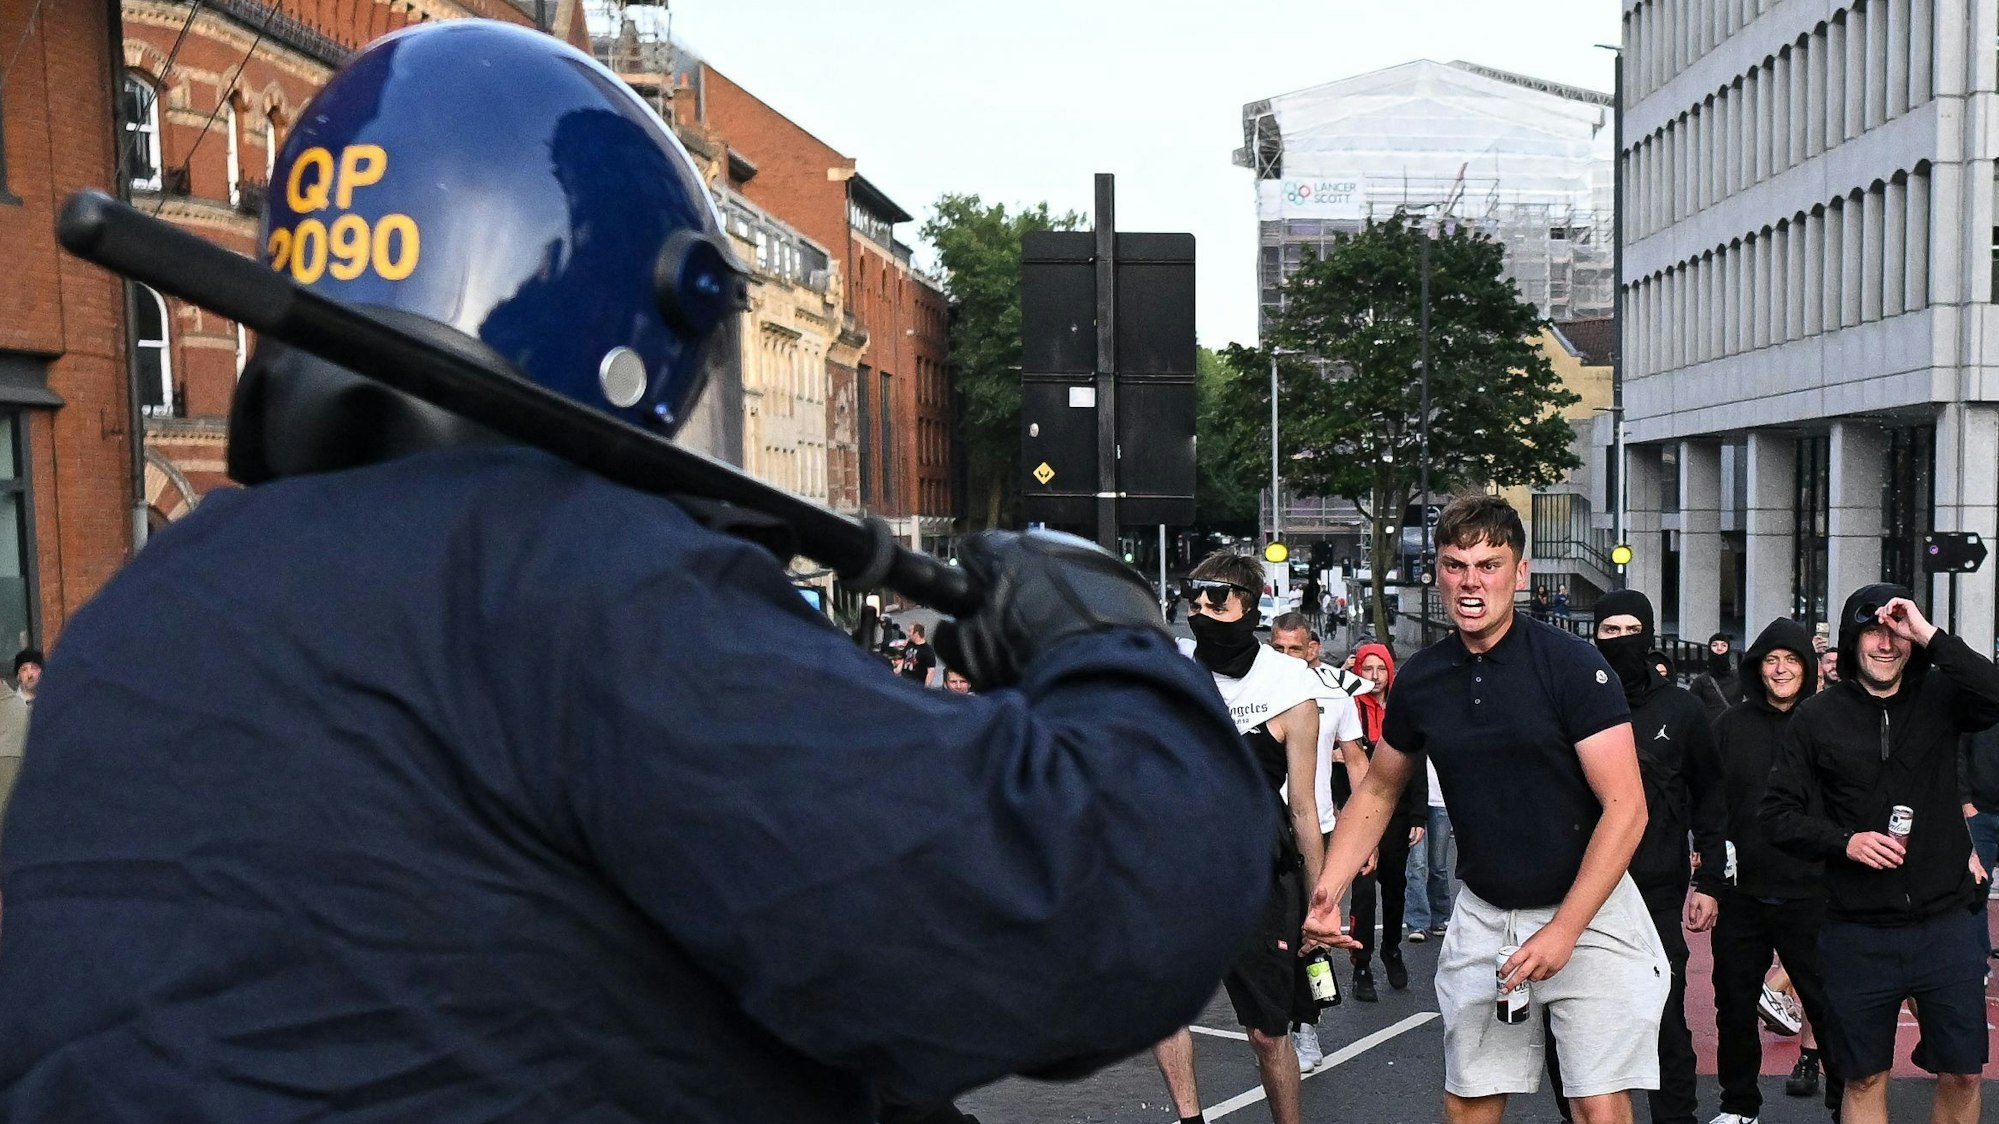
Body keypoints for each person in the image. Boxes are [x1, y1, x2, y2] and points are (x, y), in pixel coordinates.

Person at [0, 24, 1278, 1123]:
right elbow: (1055, 923)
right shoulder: (571, 577)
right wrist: (1112, 652)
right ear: (624, 326)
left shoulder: (132, 627)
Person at [1304, 494, 1665, 1124]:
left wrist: (1565, 928)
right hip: (1485, 914)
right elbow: (1382, 788)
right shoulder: (1423, 677)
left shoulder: (1574, 667)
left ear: (1520, 573)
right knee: (1469, 1098)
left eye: (1489, 565)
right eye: (1455, 565)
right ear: (1437, 572)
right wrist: (1329, 890)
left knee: (1597, 1105)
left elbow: (1626, 808)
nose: (1472, 583)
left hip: (1591, 909)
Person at [1763, 584, 1999, 1124]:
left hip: (1946, 922)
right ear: (1850, 642)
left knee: (1963, 1071)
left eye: (1898, 630)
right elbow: (1776, 816)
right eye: (1874, 631)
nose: (1886, 644)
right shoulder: (1817, 717)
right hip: (1856, 930)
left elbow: (1995, 692)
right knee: (1864, 1075)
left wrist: (1931, 634)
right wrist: (1844, 841)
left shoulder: (1941, 698)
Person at [1153, 556, 1327, 1124]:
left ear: (1249, 603)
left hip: (1256, 878)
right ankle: (1189, 1119)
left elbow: (1303, 806)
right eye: (1194, 598)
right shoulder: (1169, 671)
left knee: (1266, 1034)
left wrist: (1322, 903)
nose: (1201, 609)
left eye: (1217, 598)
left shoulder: (1291, 685)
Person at [1544, 590, 1723, 1124]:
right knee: (1567, 1016)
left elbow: (1713, 797)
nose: (1620, 642)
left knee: (1663, 1014)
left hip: (1655, 888)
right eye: (1609, 632)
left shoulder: (1683, 709)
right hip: (1577, 888)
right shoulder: (1569, 703)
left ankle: (1676, 1118)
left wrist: (1711, 878)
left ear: (1648, 635)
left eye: (1630, 631)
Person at [1709, 618, 1842, 1122]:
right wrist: (1707, 871)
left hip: (1813, 890)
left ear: (1809, 668)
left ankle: (1841, 1103)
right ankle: (1739, 1104)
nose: (1781, 669)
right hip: (1742, 891)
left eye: (1791, 660)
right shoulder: (1729, 726)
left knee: (1827, 1005)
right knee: (1733, 1006)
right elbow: (1708, 800)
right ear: (1756, 667)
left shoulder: (1828, 722)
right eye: (1771, 660)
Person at [1268, 612, 1368, 1070]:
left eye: (1295, 648)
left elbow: (1358, 763)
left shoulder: (1335, 695)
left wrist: (1365, 836)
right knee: (1275, 933)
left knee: (1316, 930)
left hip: (1321, 829)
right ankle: (1281, 1021)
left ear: (1312, 649)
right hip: (1268, 830)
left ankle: (1308, 1026)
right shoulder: (1257, 694)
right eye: (1278, 647)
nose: (1286, 656)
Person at [1343, 639, 1426, 1002]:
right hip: (1359, 815)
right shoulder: (1349, 708)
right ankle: (1361, 965)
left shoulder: (1401, 709)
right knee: (1362, 892)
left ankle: (1391, 948)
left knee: (1395, 890)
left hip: (1397, 814)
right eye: (1367, 669)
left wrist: (1419, 815)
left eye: (1380, 670)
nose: (1374, 677)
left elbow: (1416, 762)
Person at [1402, 757, 1453, 944]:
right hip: (1414, 802)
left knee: (1438, 865)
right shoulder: (1417, 731)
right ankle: (1417, 923)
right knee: (1416, 865)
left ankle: (1440, 918)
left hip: (1442, 800)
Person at [1962, 725, 1999, 957]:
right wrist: (1966, 804)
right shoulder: (1978, 707)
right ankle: (1979, 960)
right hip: (1979, 814)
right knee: (1976, 890)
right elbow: (1959, 754)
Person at [1690, 632, 1744, 721]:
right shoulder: (1701, 681)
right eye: (1715, 645)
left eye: (1723, 646)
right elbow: (1692, 707)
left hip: (1733, 725)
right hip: (1711, 728)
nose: (1719, 649)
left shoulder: (1739, 677)